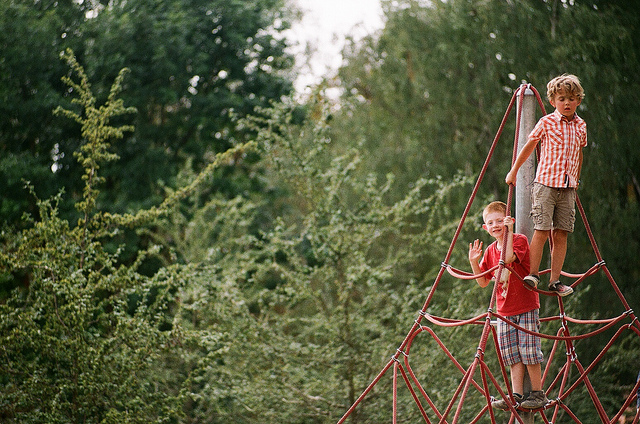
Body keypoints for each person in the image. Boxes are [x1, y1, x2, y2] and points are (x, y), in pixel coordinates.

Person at [505, 74, 587, 297]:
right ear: (553, 101)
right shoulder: (547, 123)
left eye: (571, 98)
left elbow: (579, 154)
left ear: (578, 100)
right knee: (541, 230)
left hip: (568, 187)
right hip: (545, 185)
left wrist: (576, 180)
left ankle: (555, 280)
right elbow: (529, 146)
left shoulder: (580, 125)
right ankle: (533, 274)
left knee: (562, 233)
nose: (567, 103)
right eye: (562, 99)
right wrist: (514, 171)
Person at [468, 201, 548, 410]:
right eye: (490, 222)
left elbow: (509, 257)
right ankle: (517, 395)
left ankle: (538, 394)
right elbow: (483, 282)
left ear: (507, 221)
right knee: (512, 355)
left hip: (525, 305)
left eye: (498, 221)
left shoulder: (519, 240)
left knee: (529, 351)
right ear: (485, 228)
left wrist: (509, 231)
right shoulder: (490, 251)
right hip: (504, 310)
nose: (495, 225)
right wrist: (474, 262)